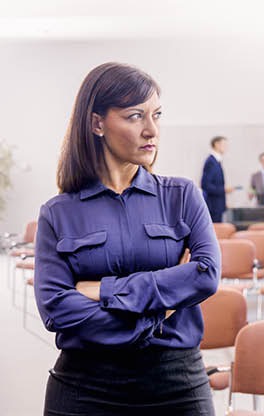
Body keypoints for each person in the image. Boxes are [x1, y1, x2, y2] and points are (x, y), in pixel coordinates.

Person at [34, 62, 219, 415]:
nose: (152, 130)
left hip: (176, 384)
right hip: (84, 386)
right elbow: (57, 309)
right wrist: (159, 312)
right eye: (135, 116)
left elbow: (205, 275)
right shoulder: (58, 213)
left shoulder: (182, 196)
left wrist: (102, 290)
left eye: (157, 115)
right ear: (97, 123)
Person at [200, 135, 233, 222]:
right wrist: (224, 190)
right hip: (213, 206)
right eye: (224, 145)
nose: (226, 148)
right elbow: (205, 185)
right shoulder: (211, 162)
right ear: (216, 144)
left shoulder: (216, 161)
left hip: (218, 205)